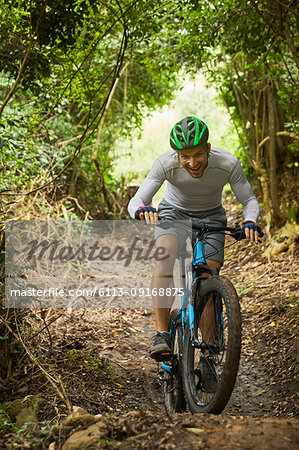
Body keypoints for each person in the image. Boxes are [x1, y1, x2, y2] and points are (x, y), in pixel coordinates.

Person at [128, 116, 262, 366]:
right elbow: (136, 200)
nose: (192, 162)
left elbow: (249, 200)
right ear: (176, 154)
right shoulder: (165, 164)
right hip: (173, 213)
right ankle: (162, 334)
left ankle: (209, 355)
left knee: (208, 279)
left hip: (212, 216)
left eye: (198, 154)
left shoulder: (227, 163)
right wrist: (142, 210)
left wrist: (250, 220)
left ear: (208, 149)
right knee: (165, 257)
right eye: (185, 156)